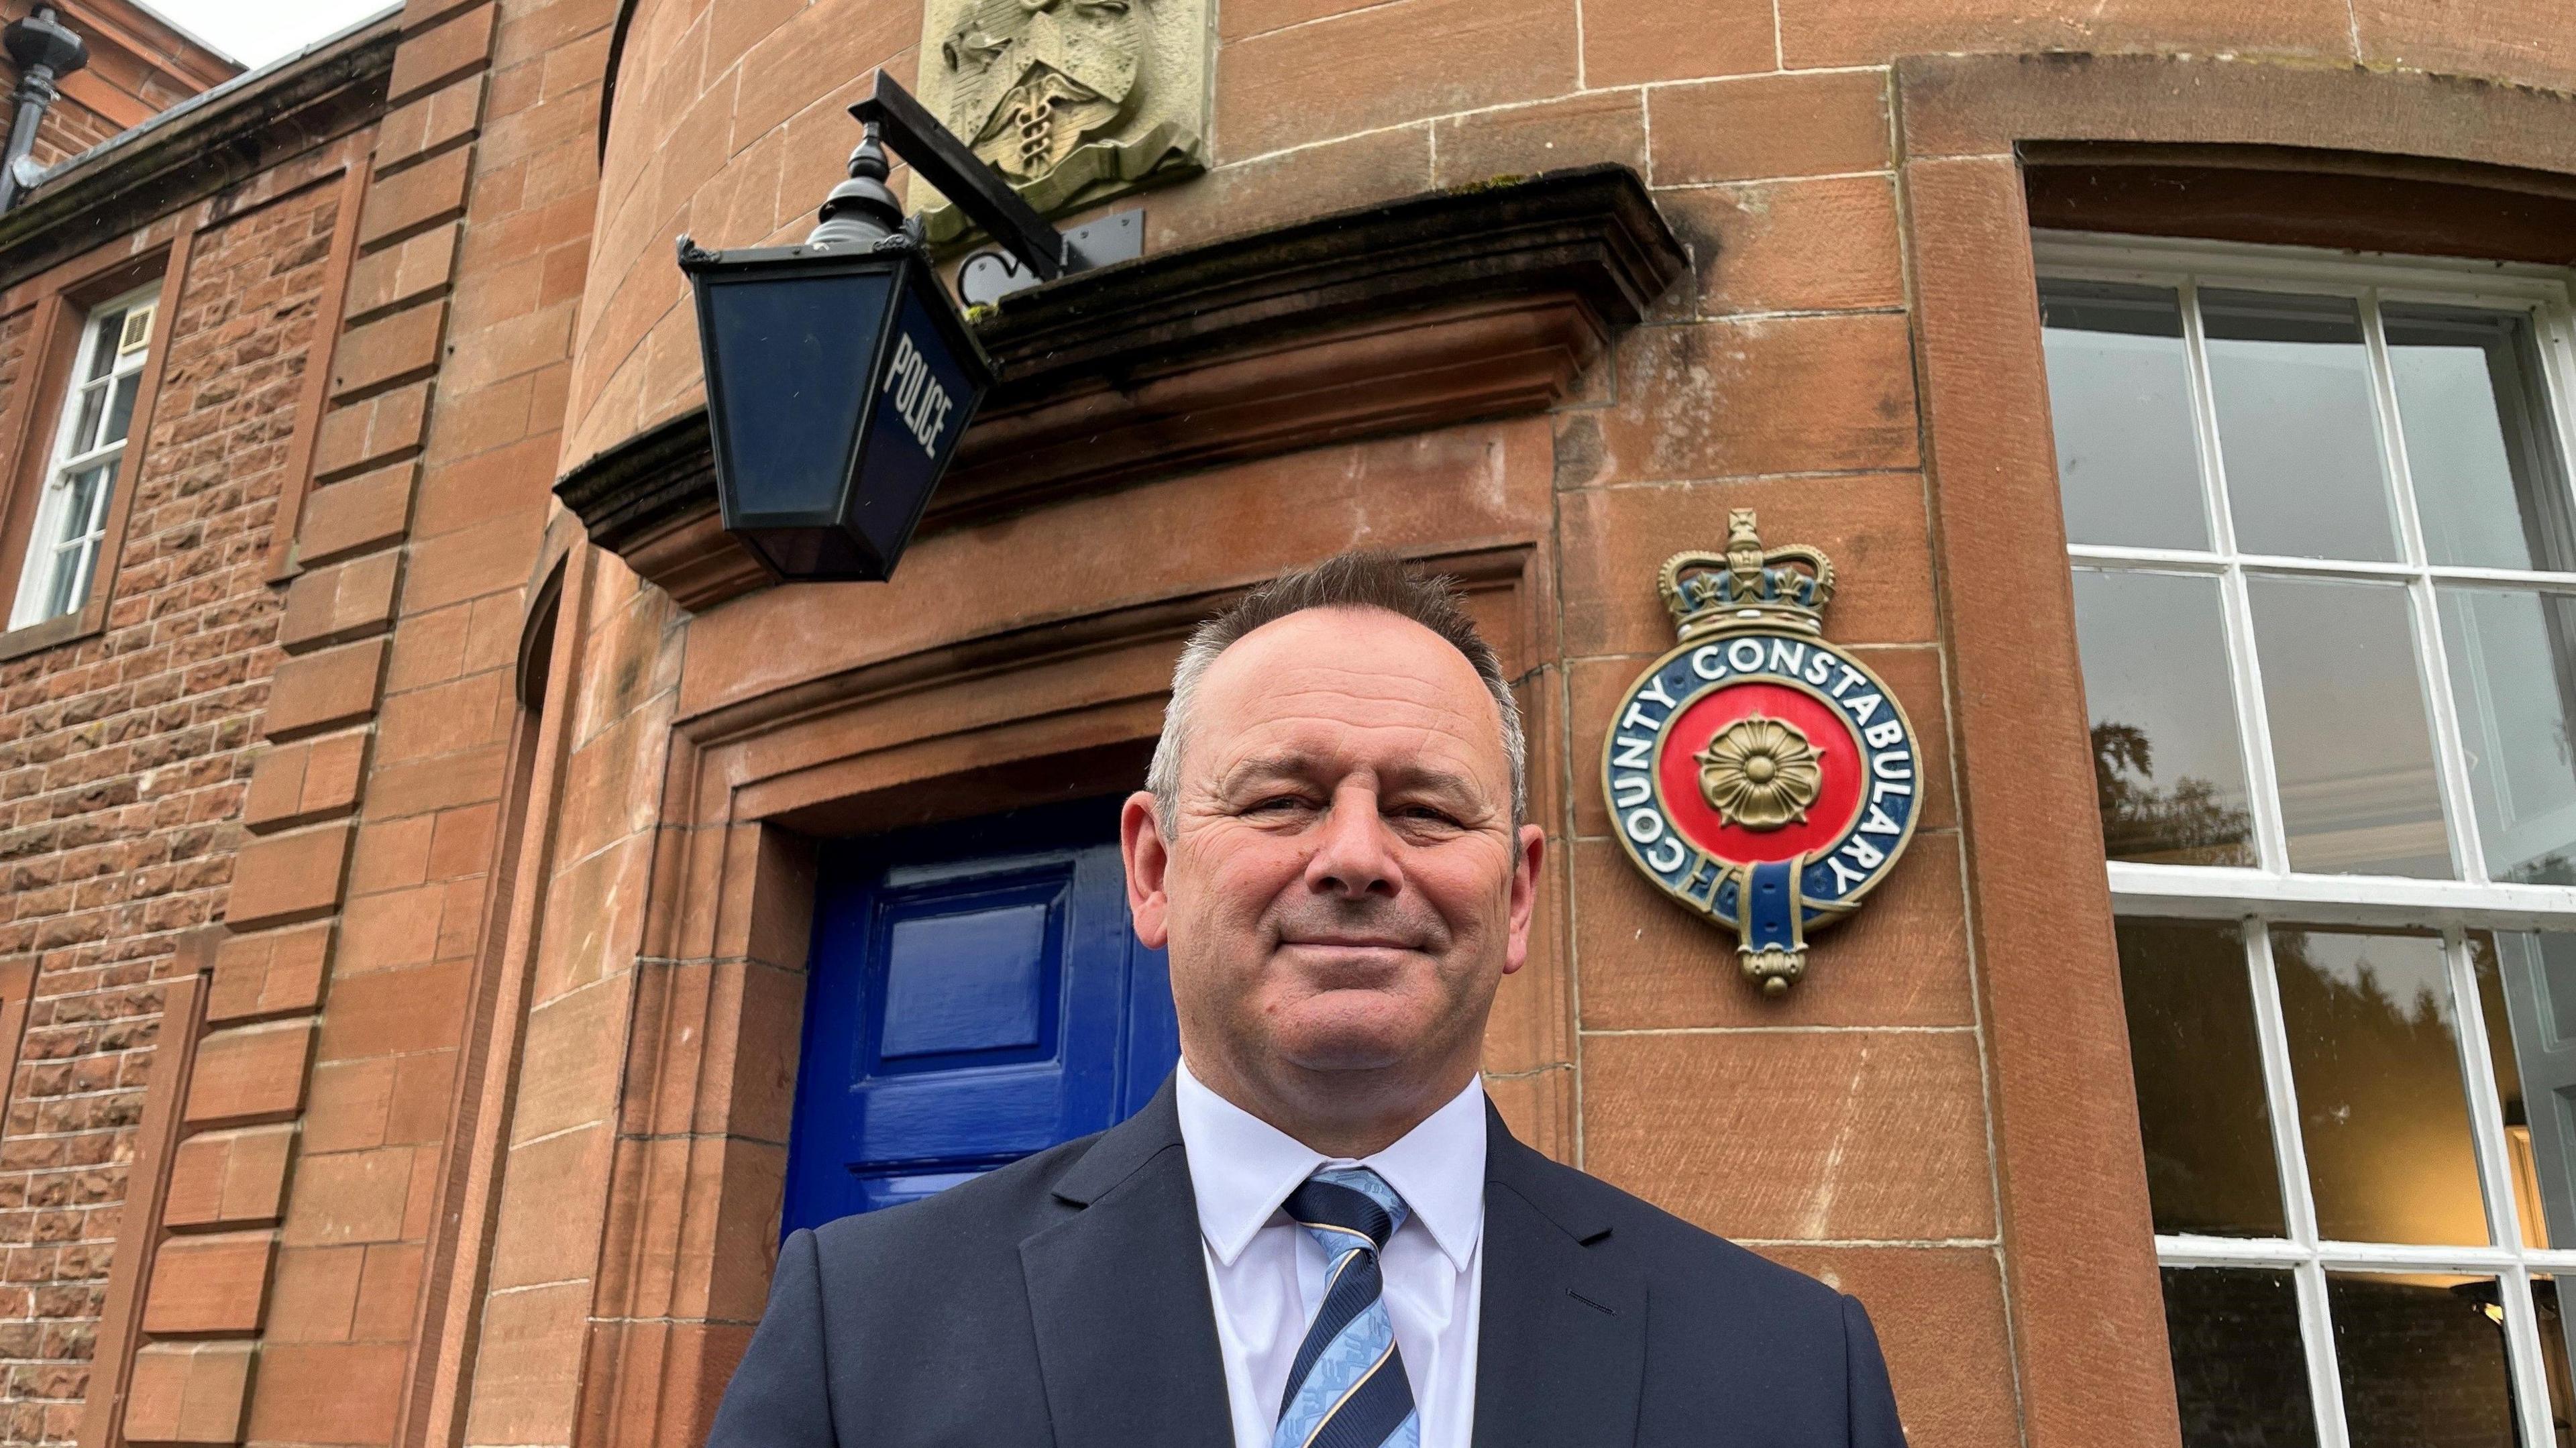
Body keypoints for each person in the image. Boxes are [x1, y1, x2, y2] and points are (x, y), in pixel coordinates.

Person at [707, 551, 1909, 1448]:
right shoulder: (862, 1327)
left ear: (1522, 893)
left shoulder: (1794, 1369)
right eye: (1283, 798)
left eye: (1428, 810)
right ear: (1155, 867)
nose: (1356, 857)